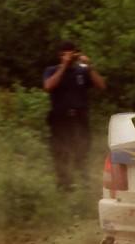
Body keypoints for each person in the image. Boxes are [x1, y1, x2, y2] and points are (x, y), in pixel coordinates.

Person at [42, 41, 106, 190]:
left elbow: (101, 86)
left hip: (79, 118)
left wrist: (89, 66)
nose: (71, 56)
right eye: (67, 53)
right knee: (60, 151)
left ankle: (84, 181)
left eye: (73, 53)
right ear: (61, 55)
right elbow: (48, 86)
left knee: (82, 149)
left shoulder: (82, 71)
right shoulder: (52, 70)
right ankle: (64, 184)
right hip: (60, 118)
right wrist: (64, 66)